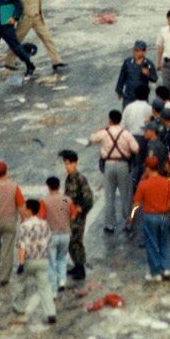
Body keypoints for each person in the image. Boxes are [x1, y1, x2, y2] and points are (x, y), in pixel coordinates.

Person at [8, 0, 64, 72]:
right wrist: (12, 18)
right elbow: (14, 1)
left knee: (47, 38)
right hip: (26, 18)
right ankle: (9, 61)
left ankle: (56, 61)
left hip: (38, 17)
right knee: (17, 39)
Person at [89, 109, 138, 232]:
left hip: (108, 165)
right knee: (126, 195)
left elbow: (92, 138)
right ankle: (128, 222)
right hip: (123, 165)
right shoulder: (126, 133)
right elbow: (136, 149)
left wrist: (100, 130)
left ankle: (110, 224)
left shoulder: (105, 132)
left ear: (110, 120)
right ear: (120, 120)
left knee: (109, 195)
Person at [131, 156, 170, 282]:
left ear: (148, 168)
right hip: (164, 215)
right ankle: (166, 268)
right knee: (164, 242)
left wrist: (132, 217)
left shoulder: (143, 184)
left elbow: (136, 204)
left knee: (152, 244)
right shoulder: (167, 182)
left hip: (150, 217)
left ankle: (155, 272)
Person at [13, 199, 57, 324]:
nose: (23, 210)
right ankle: (50, 312)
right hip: (43, 259)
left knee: (21, 283)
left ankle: (19, 307)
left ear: (29, 210)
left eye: (25, 208)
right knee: (45, 288)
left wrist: (21, 263)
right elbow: (49, 240)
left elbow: (22, 246)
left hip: (29, 260)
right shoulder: (44, 224)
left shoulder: (24, 226)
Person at [60, 149, 93, 281]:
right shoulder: (69, 179)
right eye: (66, 164)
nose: (67, 167)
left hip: (77, 218)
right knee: (71, 242)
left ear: (75, 164)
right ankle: (76, 265)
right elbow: (67, 196)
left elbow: (89, 199)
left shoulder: (80, 179)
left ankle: (81, 269)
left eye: (69, 164)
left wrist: (80, 210)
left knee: (76, 242)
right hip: (69, 216)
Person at [42, 175, 72, 294]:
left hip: (51, 235)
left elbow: (41, 217)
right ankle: (62, 281)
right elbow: (73, 213)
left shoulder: (45, 201)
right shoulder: (65, 199)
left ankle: (53, 289)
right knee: (62, 258)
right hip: (65, 234)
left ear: (48, 187)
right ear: (59, 186)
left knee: (51, 262)